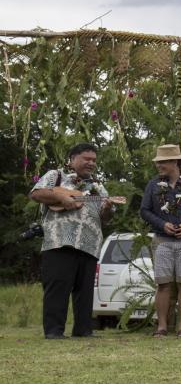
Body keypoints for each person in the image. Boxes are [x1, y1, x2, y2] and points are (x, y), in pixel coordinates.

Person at [29, 142, 114, 339]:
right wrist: (62, 199)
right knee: (57, 287)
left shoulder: (98, 187)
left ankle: (83, 330)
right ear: (73, 158)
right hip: (59, 241)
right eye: (86, 159)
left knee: (85, 291)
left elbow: (106, 218)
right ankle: (53, 331)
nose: (91, 163)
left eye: (93, 160)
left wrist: (108, 208)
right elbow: (36, 193)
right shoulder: (55, 175)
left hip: (90, 244)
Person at [139, 144, 181, 338]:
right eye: (158, 162)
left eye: (163, 162)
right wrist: (162, 224)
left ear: (174, 162)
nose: (159, 165)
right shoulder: (153, 185)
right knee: (163, 284)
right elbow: (144, 210)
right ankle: (161, 326)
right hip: (162, 239)